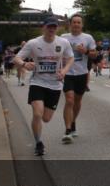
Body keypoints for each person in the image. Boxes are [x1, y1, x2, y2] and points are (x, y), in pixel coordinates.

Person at [14, 17, 74, 156]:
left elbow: (70, 58)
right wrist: (24, 64)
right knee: (37, 113)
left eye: (54, 27)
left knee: (46, 118)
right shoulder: (33, 43)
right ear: (43, 27)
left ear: (57, 28)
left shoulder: (63, 42)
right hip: (38, 82)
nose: (52, 29)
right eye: (49, 27)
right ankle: (38, 143)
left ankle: (39, 135)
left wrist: (64, 71)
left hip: (55, 85)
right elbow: (16, 58)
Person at [60, 15, 96, 143]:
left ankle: (73, 121)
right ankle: (68, 130)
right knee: (69, 100)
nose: (76, 24)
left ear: (82, 24)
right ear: (70, 24)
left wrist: (85, 51)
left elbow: (94, 54)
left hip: (81, 73)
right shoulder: (63, 38)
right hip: (67, 73)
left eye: (78, 22)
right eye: (74, 22)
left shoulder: (88, 38)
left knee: (77, 101)